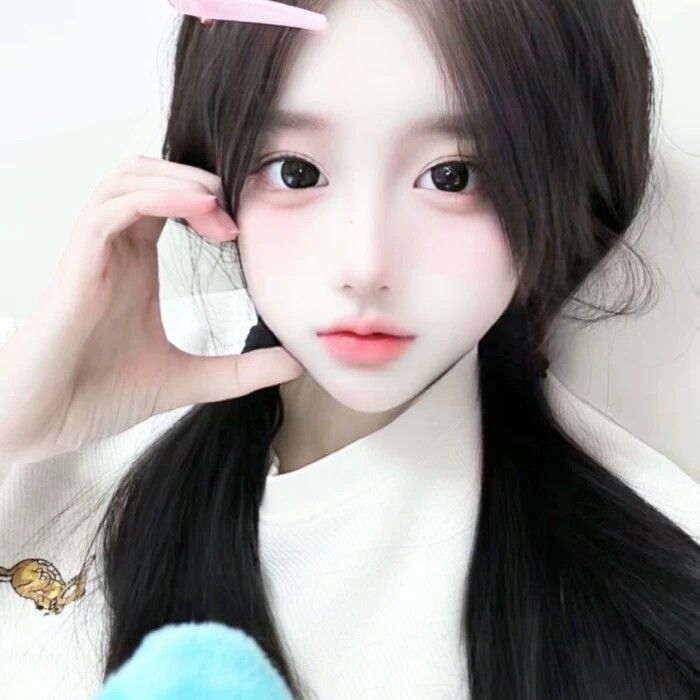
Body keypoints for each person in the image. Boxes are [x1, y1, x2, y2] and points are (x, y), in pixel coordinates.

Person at [0, 1, 698, 698]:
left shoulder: (650, 574)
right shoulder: (56, 395)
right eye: (296, 171)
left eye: (453, 177)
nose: (364, 266)